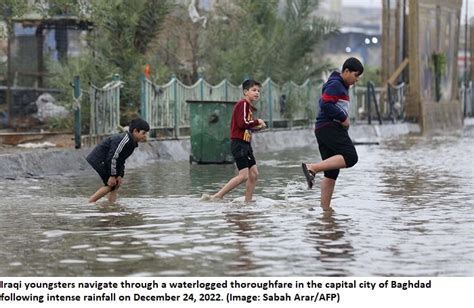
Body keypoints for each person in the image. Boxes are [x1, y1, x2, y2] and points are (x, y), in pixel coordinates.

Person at [301, 57, 363, 211]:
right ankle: (312, 168)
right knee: (351, 157)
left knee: (331, 173)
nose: (356, 80)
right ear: (346, 71)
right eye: (355, 75)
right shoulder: (336, 84)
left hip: (323, 129)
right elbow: (324, 103)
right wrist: (343, 118)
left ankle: (325, 211)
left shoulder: (338, 83)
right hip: (330, 127)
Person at [202, 79, 267, 202]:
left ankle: (248, 202)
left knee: (254, 174)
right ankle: (218, 195)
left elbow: (247, 127)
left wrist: (257, 127)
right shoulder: (243, 104)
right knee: (243, 176)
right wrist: (258, 121)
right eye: (254, 90)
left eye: (258, 91)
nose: (257, 93)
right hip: (239, 144)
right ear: (245, 92)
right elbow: (242, 123)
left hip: (246, 145)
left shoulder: (248, 108)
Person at [86, 118, 150, 203]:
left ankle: (111, 205)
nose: (145, 135)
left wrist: (120, 175)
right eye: (143, 133)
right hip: (99, 160)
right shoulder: (124, 140)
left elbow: (121, 159)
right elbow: (112, 157)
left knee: (116, 183)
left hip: (107, 161)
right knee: (111, 185)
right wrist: (112, 176)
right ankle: (89, 203)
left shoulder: (132, 143)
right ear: (135, 131)